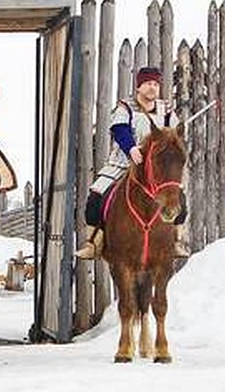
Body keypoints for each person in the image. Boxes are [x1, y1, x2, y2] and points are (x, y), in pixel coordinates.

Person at [74, 66, 189, 260]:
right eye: (148, 84)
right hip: (124, 163)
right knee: (96, 197)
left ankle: (176, 240)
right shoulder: (126, 106)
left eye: (155, 84)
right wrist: (131, 148)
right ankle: (93, 242)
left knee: (178, 197)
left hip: (155, 168)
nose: (152, 88)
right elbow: (120, 129)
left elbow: (174, 136)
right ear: (139, 87)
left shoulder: (166, 110)